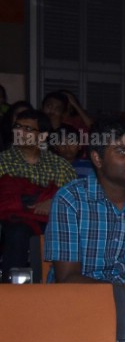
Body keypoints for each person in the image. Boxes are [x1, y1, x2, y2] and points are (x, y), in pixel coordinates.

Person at [45, 118, 125, 334]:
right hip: (83, 300)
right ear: (97, 158)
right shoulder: (70, 199)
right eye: (123, 152)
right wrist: (119, 292)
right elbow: (67, 277)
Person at [0, 109, 78, 278]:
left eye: (28, 129)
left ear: (42, 137)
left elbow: (74, 200)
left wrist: (53, 202)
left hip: (51, 221)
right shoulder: (2, 161)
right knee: (18, 231)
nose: (20, 132)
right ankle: (10, 292)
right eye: (18, 127)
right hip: (12, 222)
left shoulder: (60, 165)